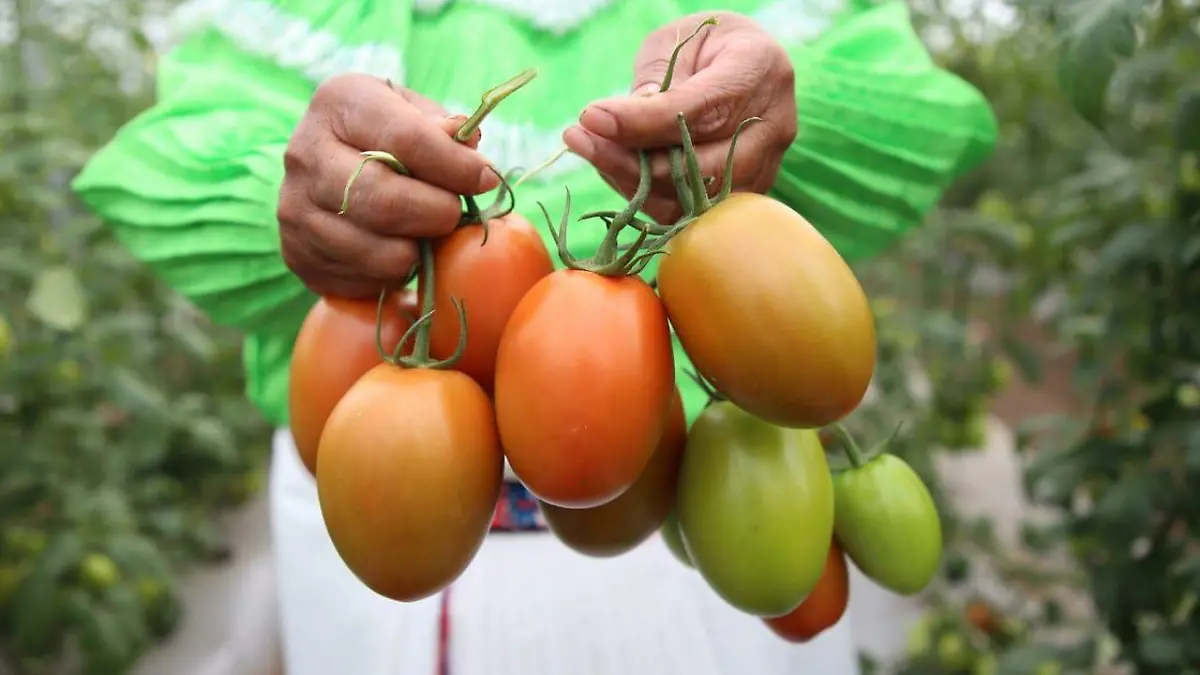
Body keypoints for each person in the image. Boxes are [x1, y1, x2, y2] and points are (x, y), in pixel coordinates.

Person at [73, 0, 997, 673]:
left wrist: (778, 115)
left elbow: (920, 119)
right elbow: (160, 168)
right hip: (378, 525)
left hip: (697, 518)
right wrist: (308, 204)